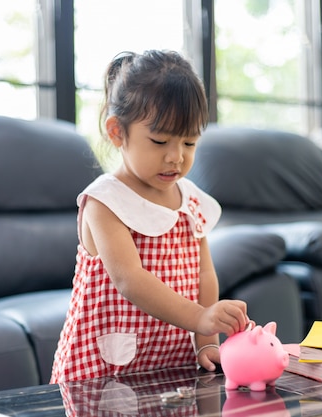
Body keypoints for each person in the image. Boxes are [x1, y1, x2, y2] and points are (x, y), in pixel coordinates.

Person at [50, 49, 250, 383]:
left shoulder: (191, 200)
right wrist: (201, 317)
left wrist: (206, 342)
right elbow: (130, 280)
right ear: (117, 132)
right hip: (104, 371)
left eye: (189, 142)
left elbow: (204, 275)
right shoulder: (105, 201)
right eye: (160, 141)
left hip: (171, 366)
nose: (176, 157)